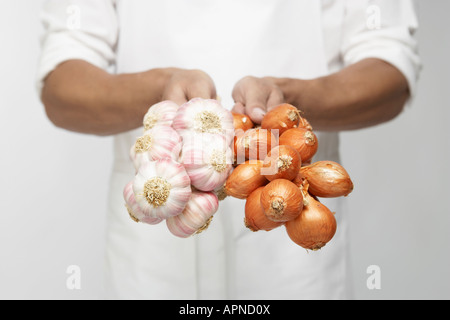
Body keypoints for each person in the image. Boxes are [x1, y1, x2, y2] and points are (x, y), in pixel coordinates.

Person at [37, 0, 420, 299]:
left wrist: (287, 106)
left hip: (289, 240)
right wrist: (160, 89)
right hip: (157, 242)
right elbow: (62, 85)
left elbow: (390, 66)